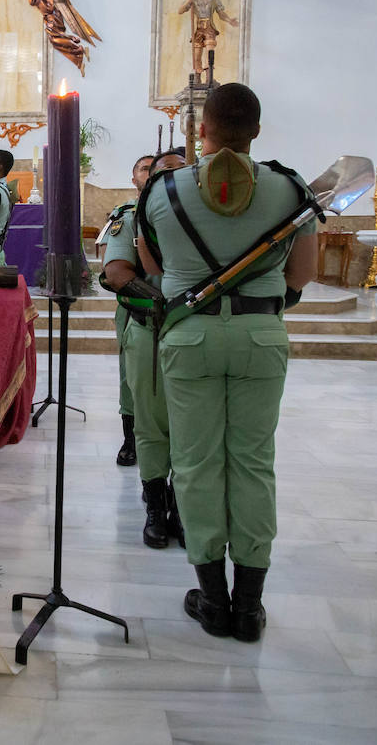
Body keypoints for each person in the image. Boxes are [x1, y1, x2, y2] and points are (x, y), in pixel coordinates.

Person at [137, 83, 316, 643]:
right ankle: (250, 606)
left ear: (201, 130)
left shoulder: (163, 189)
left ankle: (213, 600)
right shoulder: (292, 189)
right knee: (254, 462)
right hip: (261, 335)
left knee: (194, 463)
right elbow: (302, 274)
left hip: (189, 336)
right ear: (257, 131)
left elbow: (152, 266)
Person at [102, 148, 187, 549]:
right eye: (159, 171)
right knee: (150, 424)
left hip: (199, 332)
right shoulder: (131, 216)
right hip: (152, 327)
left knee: (193, 428)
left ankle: (182, 504)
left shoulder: (205, 217)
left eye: (179, 170)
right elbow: (117, 272)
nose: (169, 177)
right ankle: (155, 504)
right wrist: (165, 305)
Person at [97, 154, 154, 466]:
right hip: (137, 307)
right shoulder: (126, 214)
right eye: (144, 168)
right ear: (134, 180)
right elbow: (110, 264)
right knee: (129, 375)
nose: (151, 171)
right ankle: (130, 438)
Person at [177, 0, 240, 76]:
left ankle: (209, 78)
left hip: (209, 28)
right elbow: (180, 11)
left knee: (210, 53)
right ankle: (197, 78)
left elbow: (221, 13)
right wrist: (188, 1)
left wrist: (229, 20)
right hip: (198, 29)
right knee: (197, 56)